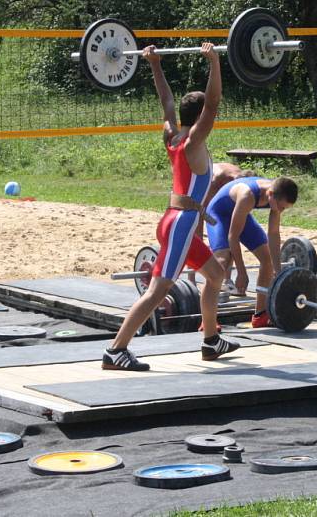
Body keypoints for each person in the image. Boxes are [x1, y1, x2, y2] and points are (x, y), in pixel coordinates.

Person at [102, 43, 239, 370]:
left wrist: (155, 64)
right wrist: (215, 63)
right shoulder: (193, 141)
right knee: (156, 292)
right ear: (201, 118)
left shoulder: (172, 135)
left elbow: (166, 101)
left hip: (178, 221)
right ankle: (115, 350)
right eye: (207, 115)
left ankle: (210, 341)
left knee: (216, 275)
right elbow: (215, 102)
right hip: (180, 226)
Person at [206, 175, 298, 328]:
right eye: (281, 207)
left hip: (239, 212)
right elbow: (233, 237)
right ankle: (207, 320)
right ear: (270, 195)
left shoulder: (276, 194)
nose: (281, 210)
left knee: (267, 260)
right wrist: (241, 272)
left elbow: (273, 234)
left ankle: (260, 315)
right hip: (217, 214)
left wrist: (278, 271)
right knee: (222, 261)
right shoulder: (247, 195)